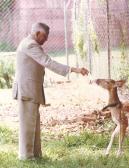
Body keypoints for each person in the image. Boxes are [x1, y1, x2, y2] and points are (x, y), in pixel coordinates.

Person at [12, 22, 89, 160]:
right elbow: (48, 62)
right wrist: (74, 69)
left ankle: (34, 155)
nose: (46, 40)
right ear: (37, 33)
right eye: (45, 36)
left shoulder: (28, 43)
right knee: (28, 124)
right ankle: (26, 156)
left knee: (33, 123)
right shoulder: (30, 44)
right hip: (27, 90)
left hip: (30, 90)